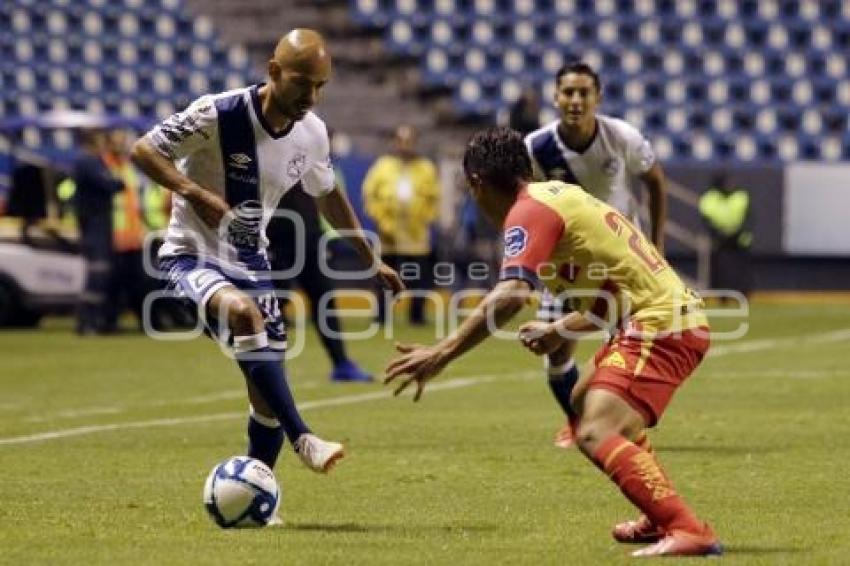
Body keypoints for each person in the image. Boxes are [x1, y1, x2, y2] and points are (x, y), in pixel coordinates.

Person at [384, 128, 720, 558]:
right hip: (663, 317)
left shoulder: (527, 213)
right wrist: (560, 329)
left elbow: (511, 294)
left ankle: (685, 527)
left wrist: (442, 352)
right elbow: (612, 297)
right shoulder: (555, 196)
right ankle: (658, 517)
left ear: (476, 184)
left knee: (597, 431)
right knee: (582, 402)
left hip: (661, 325)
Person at [130, 29, 404, 478]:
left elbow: (328, 195)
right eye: (302, 82)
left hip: (253, 262)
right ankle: (305, 437)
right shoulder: (216, 113)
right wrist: (193, 192)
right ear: (273, 71)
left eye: (321, 86)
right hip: (190, 255)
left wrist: (369, 257)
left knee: (267, 398)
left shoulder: (313, 133)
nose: (312, 96)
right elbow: (144, 150)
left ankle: (258, 487)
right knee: (243, 314)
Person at [524, 62, 669, 448]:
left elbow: (655, 181)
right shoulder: (536, 148)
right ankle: (579, 422)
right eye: (568, 92)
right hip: (566, 263)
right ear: (555, 97)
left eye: (583, 92)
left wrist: (656, 242)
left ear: (597, 97)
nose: (575, 100)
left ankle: (620, 424)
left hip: (621, 261)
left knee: (627, 346)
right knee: (555, 353)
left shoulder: (621, 137)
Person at [266, 179, 373, 382]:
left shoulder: (308, 155)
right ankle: (273, 368)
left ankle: (341, 363)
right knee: (275, 304)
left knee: (324, 300)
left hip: (310, 234)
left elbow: (326, 194)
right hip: (276, 237)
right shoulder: (266, 154)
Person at [362, 124, 440, 325]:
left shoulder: (426, 168)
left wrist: (425, 218)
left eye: (409, 141)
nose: (405, 145)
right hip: (389, 235)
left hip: (416, 236)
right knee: (385, 277)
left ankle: (417, 315)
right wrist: (380, 219)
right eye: (401, 140)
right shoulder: (383, 166)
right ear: (395, 142)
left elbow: (434, 198)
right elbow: (370, 195)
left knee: (420, 278)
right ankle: (382, 316)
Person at [71, 129, 125, 335]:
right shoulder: (88, 161)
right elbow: (111, 184)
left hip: (98, 224)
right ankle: (87, 323)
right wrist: (116, 181)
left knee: (101, 275)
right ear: (93, 141)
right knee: (97, 275)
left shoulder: (89, 160)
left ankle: (97, 322)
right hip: (95, 225)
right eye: (102, 141)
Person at [699, 173, 753, 300]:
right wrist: (718, 233)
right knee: (720, 269)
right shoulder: (709, 198)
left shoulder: (741, 196)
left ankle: (743, 293)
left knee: (741, 269)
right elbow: (707, 219)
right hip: (719, 240)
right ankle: (722, 296)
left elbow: (748, 219)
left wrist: (737, 233)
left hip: (740, 240)